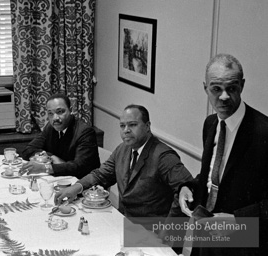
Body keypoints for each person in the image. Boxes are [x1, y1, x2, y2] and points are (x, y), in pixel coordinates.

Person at [178, 54, 268, 255]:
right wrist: (188, 187)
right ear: (205, 88)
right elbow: (214, 174)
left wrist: (237, 218)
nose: (224, 96)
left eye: (232, 88)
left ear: (242, 86)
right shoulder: (210, 124)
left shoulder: (263, 132)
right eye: (216, 89)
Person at [55, 104, 193, 219]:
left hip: (152, 232)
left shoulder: (163, 156)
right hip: (123, 221)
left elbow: (187, 191)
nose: (126, 130)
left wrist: (168, 234)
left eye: (132, 125)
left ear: (147, 126)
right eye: (122, 126)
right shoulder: (123, 149)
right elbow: (101, 175)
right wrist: (76, 187)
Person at [21, 93, 100, 179]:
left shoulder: (85, 132)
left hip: (83, 184)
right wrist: (51, 157)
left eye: (60, 112)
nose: (55, 118)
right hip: (61, 179)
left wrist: (45, 168)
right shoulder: (50, 127)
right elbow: (28, 150)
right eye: (50, 113)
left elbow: (79, 167)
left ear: (71, 110)